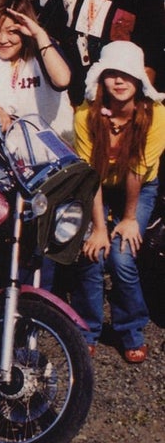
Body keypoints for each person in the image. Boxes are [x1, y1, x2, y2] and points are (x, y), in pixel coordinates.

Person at [64, 41, 162, 363]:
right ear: (101, 77)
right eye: (112, 74)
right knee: (93, 253)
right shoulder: (85, 113)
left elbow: (137, 169)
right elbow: (90, 175)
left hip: (138, 188)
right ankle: (87, 327)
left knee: (122, 257)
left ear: (139, 81)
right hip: (98, 186)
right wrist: (97, 228)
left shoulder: (156, 114)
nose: (119, 81)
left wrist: (130, 217)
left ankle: (131, 330)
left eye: (127, 75)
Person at [0, 0, 73, 138]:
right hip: (14, 154)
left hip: (55, 150)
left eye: (12, 32)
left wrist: (39, 34)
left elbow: (62, 80)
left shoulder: (43, 50)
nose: (2, 40)